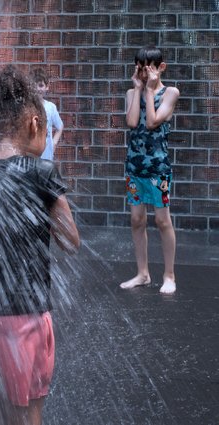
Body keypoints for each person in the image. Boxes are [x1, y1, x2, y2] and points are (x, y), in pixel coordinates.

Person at [0, 65, 80, 425]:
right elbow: (71, 241)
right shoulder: (41, 174)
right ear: (33, 123)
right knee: (28, 411)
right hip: (24, 315)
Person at [120, 46, 179, 295]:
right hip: (134, 165)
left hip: (158, 167)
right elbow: (133, 122)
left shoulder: (170, 92)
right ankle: (143, 274)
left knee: (162, 220)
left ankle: (169, 275)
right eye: (141, 67)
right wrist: (138, 89)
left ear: (160, 67)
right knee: (137, 220)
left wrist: (150, 90)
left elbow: (153, 121)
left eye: (149, 67)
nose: (145, 72)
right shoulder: (132, 91)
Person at [31, 67, 63, 161]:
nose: (37, 89)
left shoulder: (50, 107)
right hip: (29, 157)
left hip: (46, 158)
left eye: (40, 85)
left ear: (47, 86)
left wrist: (54, 143)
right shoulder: (26, 107)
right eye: (34, 86)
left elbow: (60, 126)